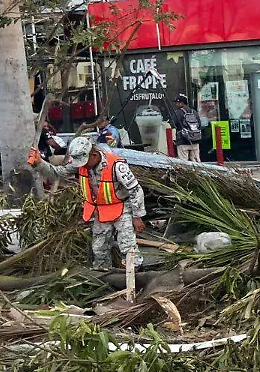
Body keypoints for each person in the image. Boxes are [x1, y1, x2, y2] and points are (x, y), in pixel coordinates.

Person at [28, 137, 146, 269]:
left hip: (122, 208)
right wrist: (40, 163)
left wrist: (137, 216)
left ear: (94, 155)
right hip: (101, 211)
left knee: (127, 246)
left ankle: (136, 273)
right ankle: (104, 274)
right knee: (99, 248)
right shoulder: (81, 164)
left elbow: (135, 190)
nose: (82, 166)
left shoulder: (116, 165)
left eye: (84, 162)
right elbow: (57, 173)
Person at [172, 94, 203, 162]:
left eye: (177, 103)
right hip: (195, 141)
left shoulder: (178, 112)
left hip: (182, 141)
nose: (176, 104)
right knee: (196, 161)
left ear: (181, 103)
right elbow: (199, 125)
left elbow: (172, 125)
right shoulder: (194, 112)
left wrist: (174, 138)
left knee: (183, 162)